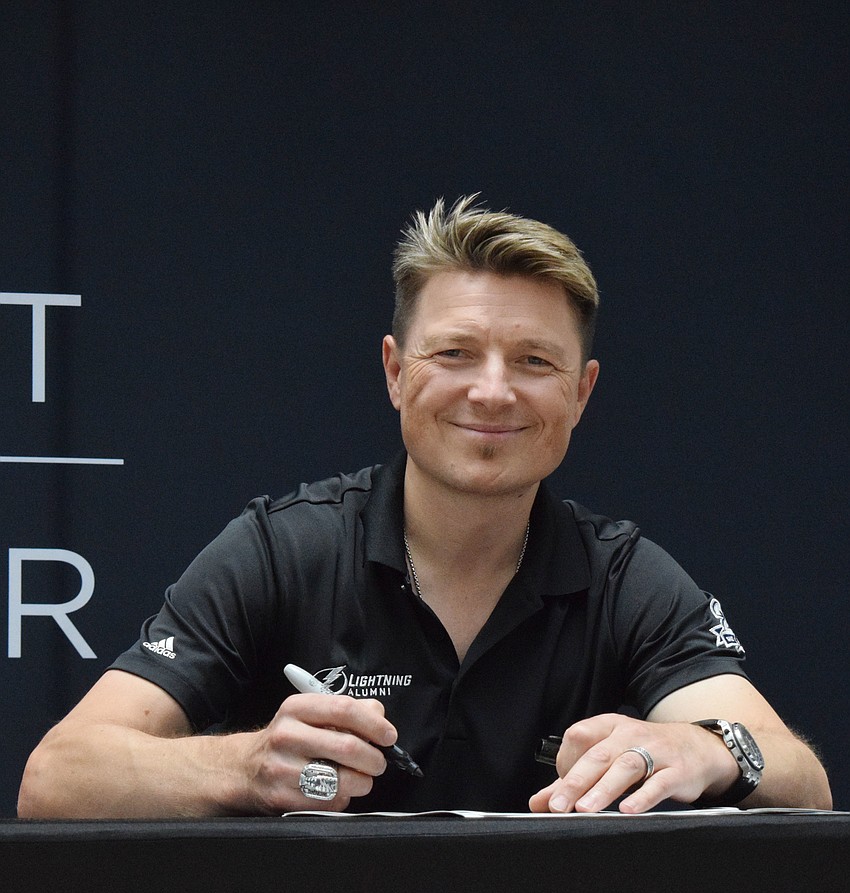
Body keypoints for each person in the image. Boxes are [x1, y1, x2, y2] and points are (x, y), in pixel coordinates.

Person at [18, 196, 831, 818]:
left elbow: (805, 782)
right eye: (454, 353)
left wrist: (704, 748)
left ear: (580, 394)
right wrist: (243, 766)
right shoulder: (281, 552)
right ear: (395, 372)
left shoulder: (623, 576)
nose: (492, 390)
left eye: (534, 360)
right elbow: (57, 775)